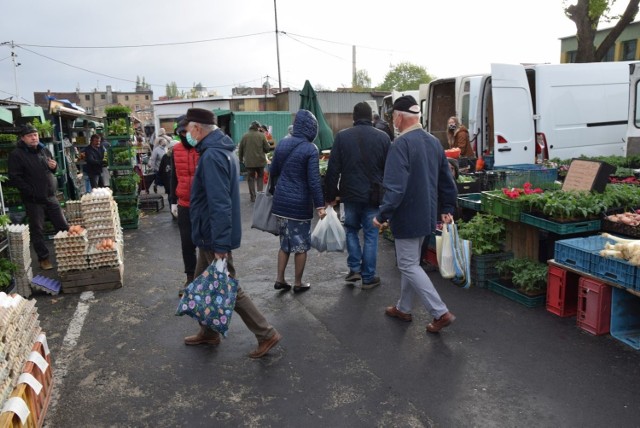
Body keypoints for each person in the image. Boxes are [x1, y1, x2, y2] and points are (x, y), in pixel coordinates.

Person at [182, 108, 282, 359]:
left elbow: (219, 204)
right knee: (200, 285)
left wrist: (220, 245)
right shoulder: (220, 151)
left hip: (213, 236)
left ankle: (266, 333)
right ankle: (208, 331)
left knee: (228, 287)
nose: (185, 134)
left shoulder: (212, 156)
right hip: (210, 234)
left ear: (197, 129)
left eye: (187, 129)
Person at [373, 95, 458, 334]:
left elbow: (395, 187)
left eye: (393, 118)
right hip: (428, 213)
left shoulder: (400, 145)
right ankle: (404, 307)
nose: (393, 122)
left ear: (399, 117)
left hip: (408, 214)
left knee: (408, 264)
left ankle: (439, 312)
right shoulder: (433, 142)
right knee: (411, 263)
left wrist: (382, 214)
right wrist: (447, 208)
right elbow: (446, 179)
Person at [324, 102, 391, 289]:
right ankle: (368, 278)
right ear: (371, 117)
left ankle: (354, 269)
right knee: (371, 235)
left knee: (351, 229)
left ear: (353, 117)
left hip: (350, 194)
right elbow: (389, 170)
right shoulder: (383, 138)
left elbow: (333, 169)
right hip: (374, 195)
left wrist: (330, 195)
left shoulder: (342, 137)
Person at [269, 109, 327, 293]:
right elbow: (313, 180)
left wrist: (274, 191)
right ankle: (298, 282)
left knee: (284, 243)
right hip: (299, 204)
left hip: (280, 202)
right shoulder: (310, 148)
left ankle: (280, 279)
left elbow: (273, 171)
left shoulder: (282, 144)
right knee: (300, 245)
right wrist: (319, 204)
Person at [8, 124, 69, 270]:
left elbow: (53, 169)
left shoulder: (44, 150)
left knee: (62, 226)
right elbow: (14, 177)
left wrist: (54, 167)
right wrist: (30, 191)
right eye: (30, 136)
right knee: (37, 230)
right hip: (34, 200)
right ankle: (44, 259)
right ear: (23, 138)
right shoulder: (17, 155)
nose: (34, 137)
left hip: (50, 196)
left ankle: (68, 254)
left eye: (35, 134)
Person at [169, 115, 200, 294]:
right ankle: (190, 278)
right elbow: (173, 176)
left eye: (185, 131)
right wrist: (172, 201)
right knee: (187, 243)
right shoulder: (176, 150)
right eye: (180, 133)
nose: (183, 135)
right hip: (184, 204)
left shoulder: (203, 149)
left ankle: (205, 277)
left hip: (202, 205)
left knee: (204, 243)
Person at [237, 121, 270, 202]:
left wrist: (241, 159)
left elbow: (240, 149)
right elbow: (267, 149)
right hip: (260, 162)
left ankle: (253, 196)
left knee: (251, 178)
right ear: (257, 127)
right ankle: (260, 196)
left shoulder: (245, 136)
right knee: (260, 177)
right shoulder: (261, 136)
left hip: (249, 162)